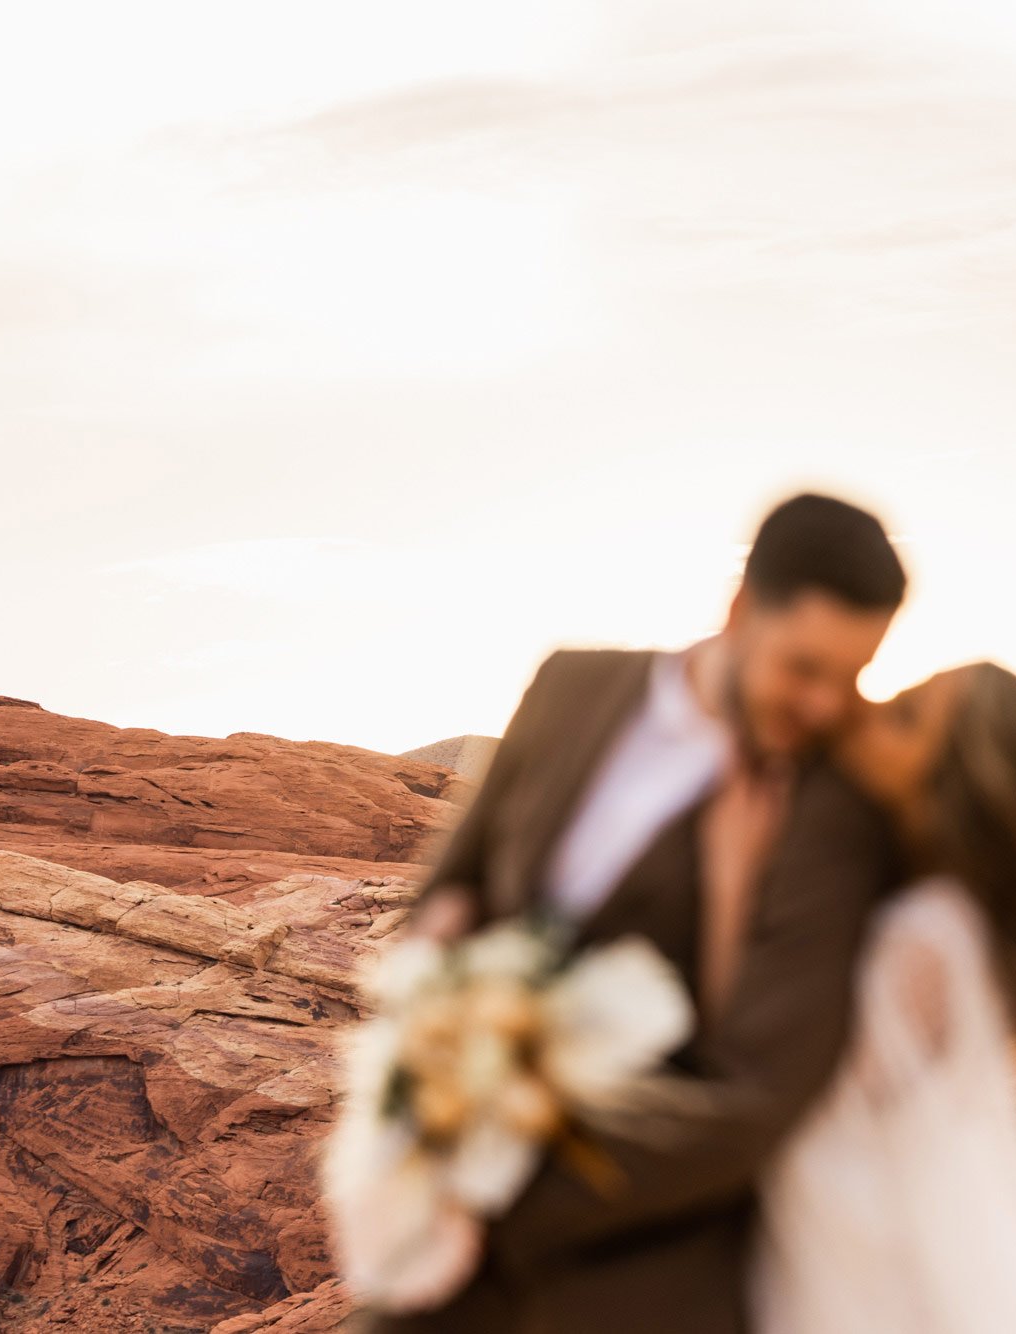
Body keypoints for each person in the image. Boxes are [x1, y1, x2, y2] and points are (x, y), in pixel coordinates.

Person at [352, 492, 909, 1334]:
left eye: (852, 676)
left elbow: (757, 1098)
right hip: (432, 1262)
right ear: (739, 609)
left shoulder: (827, 810)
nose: (826, 706)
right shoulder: (572, 685)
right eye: (804, 667)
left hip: (636, 1285)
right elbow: (452, 890)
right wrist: (429, 1055)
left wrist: (496, 1194)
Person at [717, 660, 1016, 1334]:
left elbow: (780, 1098)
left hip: (854, 1281)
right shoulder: (946, 916)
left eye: (903, 717)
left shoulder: (932, 936)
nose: (866, 712)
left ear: (948, 791)